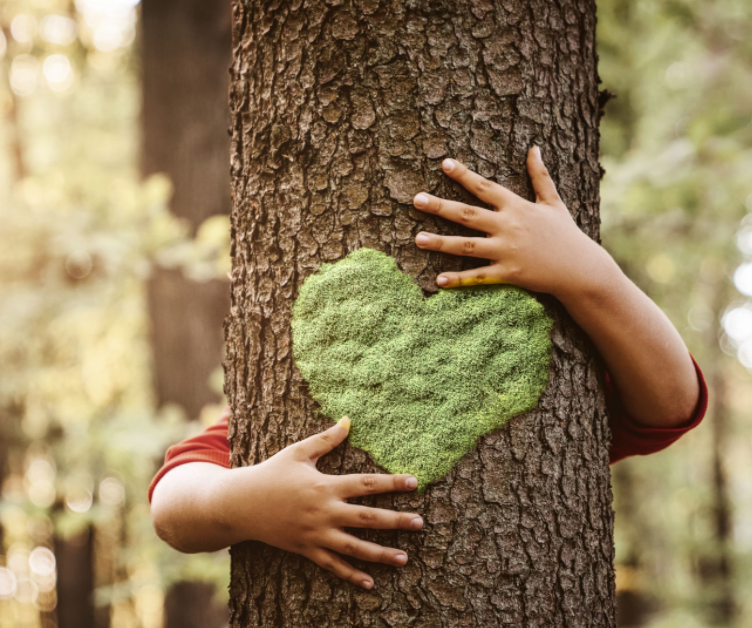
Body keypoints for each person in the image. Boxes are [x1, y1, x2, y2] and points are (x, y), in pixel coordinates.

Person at [149, 147, 707, 590]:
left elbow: (672, 403)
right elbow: (173, 505)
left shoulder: (566, 377)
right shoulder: (293, 402)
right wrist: (244, 503)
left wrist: (588, 273)